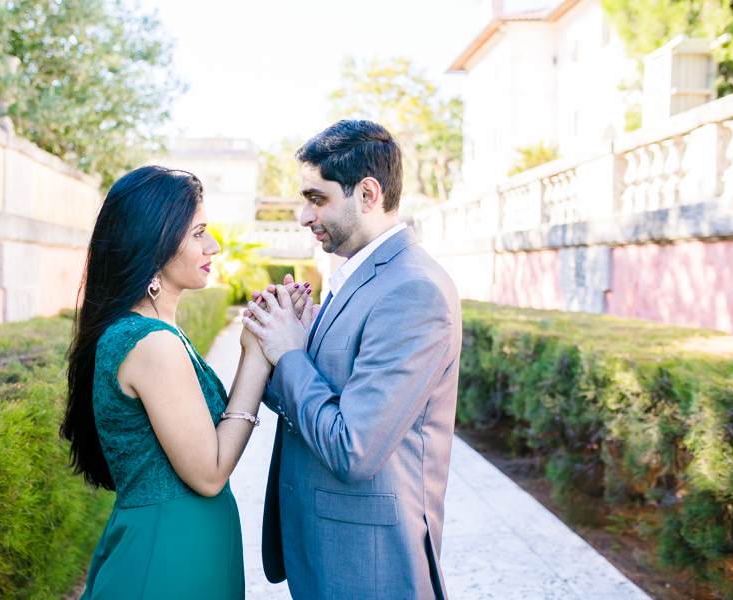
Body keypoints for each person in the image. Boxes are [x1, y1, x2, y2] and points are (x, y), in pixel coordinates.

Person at [60, 166, 312, 599]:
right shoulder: (150, 342)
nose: (212, 245)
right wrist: (255, 357)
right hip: (169, 560)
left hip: (184, 547)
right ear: (154, 246)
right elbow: (209, 474)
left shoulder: (155, 332)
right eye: (198, 233)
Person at [243, 120, 463, 600]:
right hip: (326, 550)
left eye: (316, 199)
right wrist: (289, 344)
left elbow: (354, 449)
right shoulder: (353, 274)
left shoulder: (413, 290)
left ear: (367, 193)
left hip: (370, 567)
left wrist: (289, 355)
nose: (303, 216)